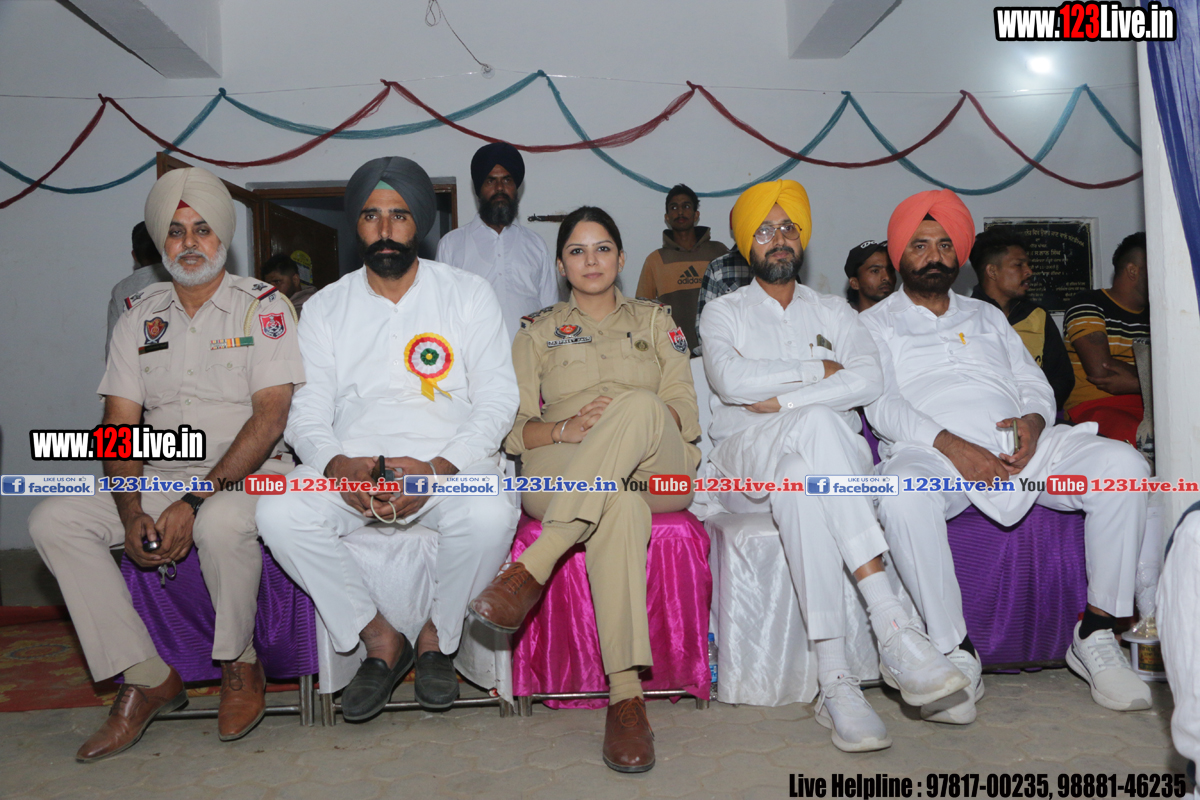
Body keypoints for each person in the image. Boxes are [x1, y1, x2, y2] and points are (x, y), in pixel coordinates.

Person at [30, 167, 304, 761]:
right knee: (53, 519)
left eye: (203, 229)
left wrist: (195, 499)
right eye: (176, 232)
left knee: (219, 523)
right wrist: (131, 510)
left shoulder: (263, 307)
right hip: (162, 474)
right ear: (161, 243)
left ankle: (240, 665)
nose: (189, 243)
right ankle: (147, 675)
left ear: (223, 237)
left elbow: (270, 419)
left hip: (252, 472)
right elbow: (118, 426)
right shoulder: (139, 315)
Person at [864, 189, 1151, 724]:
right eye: (920, 245)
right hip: (934, 455)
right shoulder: (873, 324)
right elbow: (883, 404)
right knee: (902, 492)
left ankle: (1095, 632)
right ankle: (953, 650)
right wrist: (953, 445)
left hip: (1023, 450)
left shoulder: (987, 316)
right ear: (900, 253)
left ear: (959, 254)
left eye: (945, 245)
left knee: (1125, 467)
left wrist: (1035, 424)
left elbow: (1032, 381)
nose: (934, 256)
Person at [699, 180, 967, 752]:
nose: (778, 239)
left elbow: (869, 378)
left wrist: (784, 399)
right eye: (765, 230)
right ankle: (891, 622)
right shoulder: (723, 312)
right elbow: (731, 380)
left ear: (802, 239)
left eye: (788, 228)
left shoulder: (834, 311)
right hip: (743, 461)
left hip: (814, 464)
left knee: (801, 478)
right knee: (821, 422)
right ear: (746, 242)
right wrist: (818, 372)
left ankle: (835, 681)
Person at [256, 157, 520, 721]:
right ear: (357, 224)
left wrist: (439, 468)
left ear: (418, 223)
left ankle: (435, 638)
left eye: (399, 215)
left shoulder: (468, 294)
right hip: (353, 471)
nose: (384, 229)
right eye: (371, 216)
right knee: (278, 512)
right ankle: (379, 638)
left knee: (491, 514)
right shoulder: (325, 307)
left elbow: (498, 401)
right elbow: (306, 411)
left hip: (446, 468)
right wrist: (337, 466)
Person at [469, 206, 700, 774]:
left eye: (602, 249)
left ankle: (534, 566)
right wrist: (565, 429)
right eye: (577, 250)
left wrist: (626, 418)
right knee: (616, 504)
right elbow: (513, 429)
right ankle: (626, 700)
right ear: (560, 265)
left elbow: (686, 414)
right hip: (566, 462)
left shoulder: (657, 320)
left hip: (656, 464)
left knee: (639, 405)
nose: (590, 260)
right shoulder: (535, 331)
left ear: (621, 258)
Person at [436, 141, 558, 337]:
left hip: (530, 355)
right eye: (490, 181)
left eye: (507, 180)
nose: (500, 188)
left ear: (516, 188)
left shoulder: (536, 245)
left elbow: (551, 313)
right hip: (472, 356)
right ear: (479, 189)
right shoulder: (451, 245)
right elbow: (442, 313)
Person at [969, 228, 1074, 412]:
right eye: (1018, 265)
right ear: (992, 271)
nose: (1029, 271)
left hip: (1038, 415)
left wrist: (1035, 411)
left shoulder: (1037, 316)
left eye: (1028, 264)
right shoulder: (965, 317)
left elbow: (1062, 378)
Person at [1063, 232, 1150, 444]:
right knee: (1136, 439)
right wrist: (1150, 379)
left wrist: (1135, 382)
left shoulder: (1159, 316)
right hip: (1096, 407)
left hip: (1152, 407)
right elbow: (1101, 371)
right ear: (1133, 270)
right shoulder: (1088, 302)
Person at [635, 184, 729, 355]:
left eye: (686, 206)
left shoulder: (719, 252)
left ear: (696, 215)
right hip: (672, 354)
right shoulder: (655, 260)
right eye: (674, 207)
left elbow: (738, 300)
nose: (680, 212)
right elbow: (641, 312)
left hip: (719, 350)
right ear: (667, 217)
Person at [106, 221, 170, 358]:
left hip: (134, 366)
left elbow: (112, 350)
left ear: (134, 256)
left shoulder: (121, 290)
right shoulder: (181, 281)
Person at [844, 240, 895, 313]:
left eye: (890, 270)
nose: (887, 277)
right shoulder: (842, 318)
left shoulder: (906, 316)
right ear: (855, 283)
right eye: (875, 271)